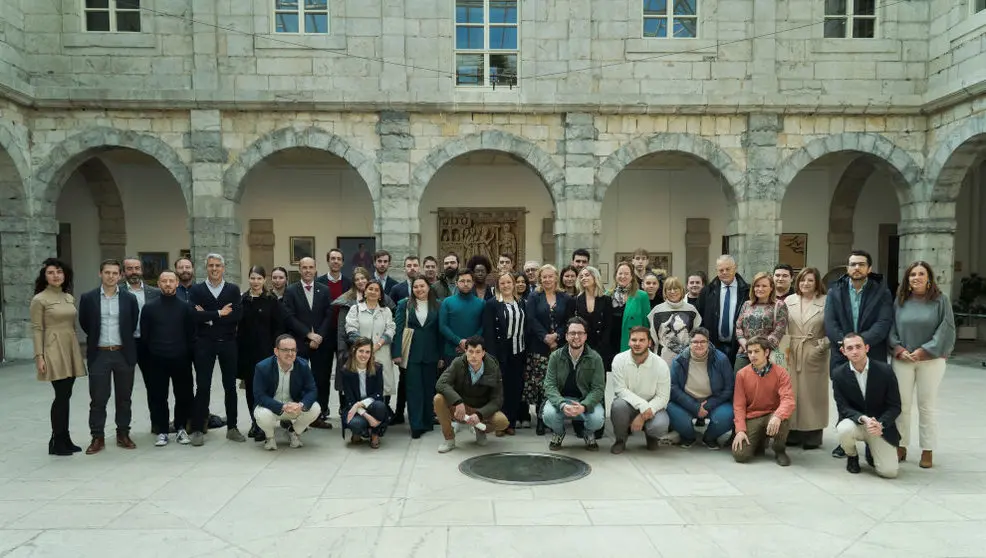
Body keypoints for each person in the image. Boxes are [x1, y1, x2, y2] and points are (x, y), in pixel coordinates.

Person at [824, 249, 893, 458]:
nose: (857, 268)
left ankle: (874, 441)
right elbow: (830, 322)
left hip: (872, 352)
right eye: (853, 264)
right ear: (847, 268)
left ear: (869, 268)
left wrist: (859, 346)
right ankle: (845, 442)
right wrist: (847, 347)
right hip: (841, 353)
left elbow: (883, 323)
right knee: (844, 398)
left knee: (874, 397)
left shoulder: (882, 292)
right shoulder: (835, 291)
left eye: (861, 264)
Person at [889, 260, 956, 469]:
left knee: (927, 406)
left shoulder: (940, 300)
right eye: (912, 274)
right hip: (903, 360)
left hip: (931, 360)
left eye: (920, 274)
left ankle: (927, 450)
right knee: (902, 405)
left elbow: (946, 328)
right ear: (907, 279)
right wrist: (899, 349)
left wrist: (925, 350)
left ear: (929, 278)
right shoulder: (900, 300)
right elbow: (891, 328)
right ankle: (900, 445)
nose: (916, 277)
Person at [78, 259, 140, 454]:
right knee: (98, 399)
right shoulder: (89, 298)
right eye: (107, 273)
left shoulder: (129, 298)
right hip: (100, 354)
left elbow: (132, 322)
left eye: (115, 273)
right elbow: (85, 323)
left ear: (120, 276)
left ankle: (123, 433)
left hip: (123, 353)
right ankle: (97, 437)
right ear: (100, 274)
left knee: (124, 398)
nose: (111, 276)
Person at [31, 258, 87, 456]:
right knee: (61, 395)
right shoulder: (40, 299)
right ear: (45, 276)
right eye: (51, 272)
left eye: (59, 272)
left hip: (69, 346)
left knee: (67, 395)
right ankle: (57, 440)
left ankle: (65, 437)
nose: (56, 276)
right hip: (52, 348)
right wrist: (40, 356)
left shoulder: (68, 297)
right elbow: (37, 329)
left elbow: (72, 326)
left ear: (65, 275)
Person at [187, 253, 243, 446]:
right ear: (206, 268)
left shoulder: (233, 290)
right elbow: (193, 316)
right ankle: (197, 428)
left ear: (223, 268)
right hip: (204, 343)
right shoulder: (197, 290)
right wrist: (219, 313)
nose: (214, 269)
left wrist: (208, 317)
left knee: (230, 387)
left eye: (218, 265)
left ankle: (233, 427)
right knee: (202, 386)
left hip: (228, 342)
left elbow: (236, 316)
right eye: (211, 265)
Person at [833, 332, 902, 478]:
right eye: (850, 348)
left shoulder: (885, 371)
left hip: (879, 426)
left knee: (889, 472)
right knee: (843, 429)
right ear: (843, 351)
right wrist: (863, 418)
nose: (855, 351)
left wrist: (881, 424)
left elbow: (895, 405)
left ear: (867, 348)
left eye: (858, 347)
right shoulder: (838, 374)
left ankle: (872, 449)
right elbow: (843, 407)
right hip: (856, 423)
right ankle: (852, 455)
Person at [140, 270, 196, 447]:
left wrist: (187, 355)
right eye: (164, 281)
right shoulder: (149, 308)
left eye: (171, 281)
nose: (168, 284)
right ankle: (162, 430)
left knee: (184, 395)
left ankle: (180, 428)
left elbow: (191, 334)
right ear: (159, 284)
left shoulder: (186, 307)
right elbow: (145, 336)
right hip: (157, 360)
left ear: (177, 283)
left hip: (181, 359)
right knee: (158, 396)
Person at [281, 257, 334, 430]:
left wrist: (319, 336)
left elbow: (329, 315)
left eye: (311, 267)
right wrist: (308, 334)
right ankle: (295, 415)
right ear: (299, 269)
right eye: (304, 267)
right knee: (298, 379)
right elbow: (289, 317)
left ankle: (319, 415)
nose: (308, 271)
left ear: (315, 269)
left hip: (321, 342)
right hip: (299, 342)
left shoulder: (324, 290)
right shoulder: (291, 290)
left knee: (321, 379)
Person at [433, 336, 509, 453]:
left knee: (502, 422)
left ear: (483, 353)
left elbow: (497, 400)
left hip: (481, 409)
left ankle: (480, 430)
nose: (474, 356)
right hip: (461, 408)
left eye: (478, 352)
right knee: (438, 399)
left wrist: (480, 414)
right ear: (465, 351)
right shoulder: (458, 363)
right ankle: (449, 439)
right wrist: (457, 401)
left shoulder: (493, 367)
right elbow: (441, 383)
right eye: (470, 351)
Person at [542, 317, 606, 451]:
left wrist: (584, 406)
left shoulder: (595, 358)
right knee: (548, 415)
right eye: (572, 333)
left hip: (584, 401)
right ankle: (558, 433)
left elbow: (598, 389)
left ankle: (588, 434)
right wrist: (562, 403)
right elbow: (549, 385)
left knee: (597, 419)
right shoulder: (556, 356)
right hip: (562, 400)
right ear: (566, 336)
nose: (576, 336)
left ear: (586, 336)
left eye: (580, 333)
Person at [731, 337, 796, 466]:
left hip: (772, 414)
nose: (752, 355)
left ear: (766, 353)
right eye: (749, 352)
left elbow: (788, 399)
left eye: (756, 351)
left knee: (783, 420)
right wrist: (740, 431)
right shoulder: (742, 374)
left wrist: (778, 416)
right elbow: (739, 404)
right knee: (740, 455)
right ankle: (760, 441)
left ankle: (780, 450)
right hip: (753, 416)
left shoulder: (781, 373)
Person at [526, 264, 575, 435]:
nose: (547, 280)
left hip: (560, 347)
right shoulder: (534, 297)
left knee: (557, 383)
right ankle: (541, 419)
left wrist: (558, 336)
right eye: (544, 277)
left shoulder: (566, 298)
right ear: (540, 279)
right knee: (541, 385)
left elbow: (569, 321)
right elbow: (531, 320)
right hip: (539, 347)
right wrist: (545, 337)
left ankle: (555, 418)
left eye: (550, 276)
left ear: (556, 278)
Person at [784, 267, 830, 450]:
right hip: (792, 351)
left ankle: (813, 434)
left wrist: (822, 346)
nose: (805, 284)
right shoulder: (789, 300)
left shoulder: (826, 301)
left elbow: (833, 326)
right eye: (802, 280)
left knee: (813, 395)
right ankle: (792, 432)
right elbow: (782, 326)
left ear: (817, 282)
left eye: (810, 280)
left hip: (814, 350)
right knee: (792, 392)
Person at [392, 277, 443, 438]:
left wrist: (441, 355)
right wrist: (397, 353)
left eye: (422, 286)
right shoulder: (404, 305)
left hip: (431, 353)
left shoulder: (438, 305)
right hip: (411, 354)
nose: (419, 289)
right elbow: (398, 329)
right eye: (415, 287)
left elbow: (440, 332)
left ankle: (427, 421)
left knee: (429, 389)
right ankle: (416, 425)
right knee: (414, 390)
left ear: (429, 287)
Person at [667, 328, 735, 449]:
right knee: (670, 410)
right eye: (695, 342)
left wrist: (707, 405)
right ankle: (688, 436)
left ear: (708, 342)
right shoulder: (679, 360)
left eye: (703, 342)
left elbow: (729, 388)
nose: (699, 345)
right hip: (687, 401)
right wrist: (694, 406)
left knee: (728, 415)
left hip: (713, 401)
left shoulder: (721, 360)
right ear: (689, 343)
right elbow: (673, 387)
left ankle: (710, 437)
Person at [237, 266, 283, 442]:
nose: (255, 281)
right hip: (247, 352)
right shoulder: (242, 300)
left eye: (259, 278)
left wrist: (276, 348)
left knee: (267, 389)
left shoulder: (272, 300)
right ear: (248, 279)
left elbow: (278, 326)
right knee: (250, 389)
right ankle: (255, 422)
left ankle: (266, 423)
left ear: (265, 280)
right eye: (252, 278)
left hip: (266, 352)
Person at [253, 335, 321, 450]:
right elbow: (259, 395)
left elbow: (312, 390)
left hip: (294, 408)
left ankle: (294, 432)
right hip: (272, 407)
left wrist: (301, 405)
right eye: (285, 350)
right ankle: (269, 438)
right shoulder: (262, 367)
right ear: (276, 351)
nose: (290, 353)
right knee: (262, 415)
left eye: (293, 350)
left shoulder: (303, 365)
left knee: (315, 408)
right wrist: (282, 406)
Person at [610, 327, 671, 454]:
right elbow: (620, 390)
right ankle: (620, 440)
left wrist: (643, 416)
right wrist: (643, 406)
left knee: (660, 425)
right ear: (629, 342)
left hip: (652, 405)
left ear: (649, 342)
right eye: (634, 340)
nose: (637, 344)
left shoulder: (661, 364)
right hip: (628, 404)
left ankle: (651, 437)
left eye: (642, 340)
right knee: (618, 406)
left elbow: (663, 397)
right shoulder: (619, 360)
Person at [483, 272, 527, 435]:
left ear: (514, 284)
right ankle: (499, 424)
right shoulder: (492, 304)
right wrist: (492, 356)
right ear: (498, 286)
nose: (506, 285)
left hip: (519, 350)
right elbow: (488, 332)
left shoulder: (521, 302)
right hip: (500, 352)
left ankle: (511, 423)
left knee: (515, 388)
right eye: (503, 283)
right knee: (500, 389)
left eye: (509, 282)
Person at [122, 256, 161, 431]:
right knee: (124, 389)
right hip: (127, 344)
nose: (134, 272)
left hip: (149, 345)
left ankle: (157, 424)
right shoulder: (117, 291)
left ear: (142, 270)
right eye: (130, 269)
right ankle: (123, 429)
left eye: (137, 268)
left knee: (154, 387)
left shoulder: (155, 292)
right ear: (124, 272)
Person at [345, 280, 396, 412]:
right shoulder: (355, 309)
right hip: (361, 354)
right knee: (362, 383)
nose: (373, 292)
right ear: (365, 292)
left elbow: (390, 329)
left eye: (376, 290)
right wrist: (366, 347)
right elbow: (350, 329)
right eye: (370, 289)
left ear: (380, 295)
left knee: (382, 386)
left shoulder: (386, 311)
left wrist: (378, 344)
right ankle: (361, 415)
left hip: (382, 352)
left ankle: (381, 415)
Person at [696, 255, 749, 367]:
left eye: (728, 269)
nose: (724, 272)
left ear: (735, 268)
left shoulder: (747, 291)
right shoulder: (707, 292)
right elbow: (699, 320)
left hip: (739, 347)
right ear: (717, 271)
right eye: (721, 270)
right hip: (714, 346)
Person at [734, 272, 789, 371]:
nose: (760, 289)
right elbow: (738, 327)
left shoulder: (779, 305)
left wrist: (759, 350)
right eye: (757, 286)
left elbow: (779, 331)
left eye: (764, 286)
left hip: (766, 354)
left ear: (771, 288)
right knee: (740, 383)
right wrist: (746, 346)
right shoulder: (747, 304)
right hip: (744, 352)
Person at [315, 249, 352, 394]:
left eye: (338, 259)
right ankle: (323, 408)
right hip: (324, 333)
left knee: (344, 370)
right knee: (322, 372)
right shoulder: (319, 282)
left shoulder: (349, 283)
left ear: (342, 262)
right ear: (328, 261)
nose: (335, 261)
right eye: (333, 258)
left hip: (343, 333)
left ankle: (344, 407)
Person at [342, 338, 389, 448]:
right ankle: (358, 431)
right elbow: (350, 400)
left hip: (371, 405)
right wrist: (367, 416)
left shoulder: (377, 368)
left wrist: (360, 404)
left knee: (380, 406)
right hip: (354, 407)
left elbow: (378, 394)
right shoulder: (346, 371)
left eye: (367, 352)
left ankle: (374, 434)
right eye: (361, 351)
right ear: (354, 351)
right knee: (356, 424)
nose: (364, 355)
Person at [648, 276, 702, 366]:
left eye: (676, 288)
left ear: (681, 290)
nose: (672, 292)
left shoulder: (692, 310)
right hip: (662, 359)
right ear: (665, 292)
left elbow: (695, 335)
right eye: (669, 289)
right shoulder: (656, 311)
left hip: (686, 359)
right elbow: (654, 337)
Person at [439, 269, 485, 366]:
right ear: (456, 283)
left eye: (468, 281)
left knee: (473, 381)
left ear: (473, 283)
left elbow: (483, 326)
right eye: (462, 281)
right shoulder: (447, 302)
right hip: (452, 351)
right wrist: (459, 341)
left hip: (474, 351)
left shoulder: (481, 303)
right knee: (452, 381)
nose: (465, 284)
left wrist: (469, 344)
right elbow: (443, 326)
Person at [608, 261, 651, 356]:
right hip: (610, 343)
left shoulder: (641, 296)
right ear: (615, 275)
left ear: (632, 276)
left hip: (632, 343)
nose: (623, 276)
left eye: (626, 274)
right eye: (620, 273)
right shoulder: (607, 295)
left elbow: (646, 324)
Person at [574, 266, 613, 367]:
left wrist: (602, 346)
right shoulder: (576, 300)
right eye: (581, 277)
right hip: (581, 346)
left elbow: (608, 325)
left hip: (601, 347)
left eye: (587, 275)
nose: (583, 278)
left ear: (595, 277)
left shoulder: (606, 300)